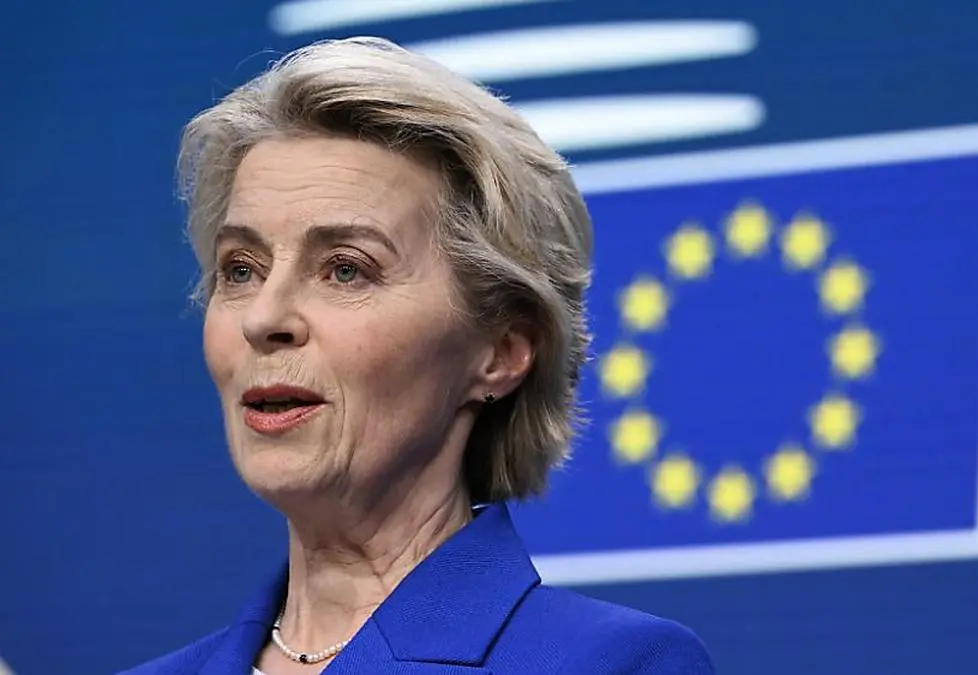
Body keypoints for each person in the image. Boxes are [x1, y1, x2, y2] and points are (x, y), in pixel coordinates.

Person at [118, 36, 714, 674]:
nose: (263, 319)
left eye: (346, 269)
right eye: (241, 269)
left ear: (500, 353)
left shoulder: (610, 664)